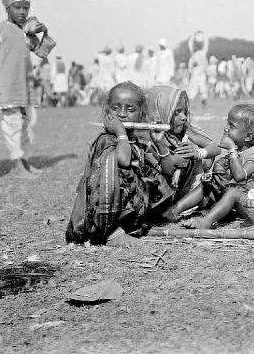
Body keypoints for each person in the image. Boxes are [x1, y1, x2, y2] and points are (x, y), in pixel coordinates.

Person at [65, 81, 173, 246]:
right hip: (102, 216)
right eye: (116, 108)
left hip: (130, 211)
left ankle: (134, 223)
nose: (122, 114)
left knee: (154, 175)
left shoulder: (138, 141)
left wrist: (160, 144)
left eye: (130, 109)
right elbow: (123, 160)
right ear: (108, 111)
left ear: (141, 113)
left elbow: (168, 171)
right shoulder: (105, 140)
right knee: (122, 168)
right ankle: (112, 234)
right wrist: (121, 133)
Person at [165, 103, 254, 229]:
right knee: (208, 183)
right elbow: (225, 173)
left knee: (233, 192)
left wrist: (231, 149)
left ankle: (206, 222)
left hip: (253, 203)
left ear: (248, 136)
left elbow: (240, 176)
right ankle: (174, 210)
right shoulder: (239, 152)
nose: (225, 128)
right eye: (227, 123)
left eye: (231, 126)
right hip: (238, 199)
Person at [0, 0, 50, 178]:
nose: (22, 11)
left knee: (27, 125)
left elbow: (43, 52)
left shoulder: (26, 33)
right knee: (12, 126)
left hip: (25, 89)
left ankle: (24, 162)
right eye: (17, 7)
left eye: (26, 8)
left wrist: (44, 30)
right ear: (8, 8)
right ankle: (18, 165)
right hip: (6, 89)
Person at [146, 85, 220, 206]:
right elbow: (167, 169)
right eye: (177, 112)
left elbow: (215, 148)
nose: (184, 117)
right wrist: (177, 159)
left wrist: (198, 153)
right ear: (161, 113)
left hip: (184, 187)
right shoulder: (150, 137)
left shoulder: (186, 130)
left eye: (185, 111)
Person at [187, 31, 209, 106]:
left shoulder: (203, 52)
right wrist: (193, 37)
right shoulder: (194, 54)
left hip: (201, 72)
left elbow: (206, 44)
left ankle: (204, 101)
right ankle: (191, 102)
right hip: (196, 72)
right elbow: (190, 45)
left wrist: (204, 36)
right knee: (193, 87)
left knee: (202, 87)